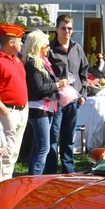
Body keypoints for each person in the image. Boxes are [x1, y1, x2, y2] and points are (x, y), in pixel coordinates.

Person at [0, 23, 29, 181]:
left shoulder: (17, 60)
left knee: (14, 153)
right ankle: (1, 187)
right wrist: (4, 110)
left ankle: (4, 185)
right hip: (6, 112)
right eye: (19, 40)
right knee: (6, 153)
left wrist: (25, 107)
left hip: (21, 111)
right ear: (11, 42)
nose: (21, 43)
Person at [46, 14, 88, 174]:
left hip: (73, 100)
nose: (67, 31)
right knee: (53, 137)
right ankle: (50, 172)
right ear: (57, 29)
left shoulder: (77, 48)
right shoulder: (50, 49)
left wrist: (83, 93)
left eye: (70, 28)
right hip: (55, 100)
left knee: (68, 137)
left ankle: (68, 171)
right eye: (63, 28)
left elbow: (84, 70)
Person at [23, 30, 68, 175]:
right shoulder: (32, 63)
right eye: (46, 45)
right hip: (39, 108)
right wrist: (57, 85)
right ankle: (34, 180)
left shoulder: (42, 62)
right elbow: (39, 88)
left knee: (38, 146)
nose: (48, 48)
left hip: (46, 107)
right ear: (37, 46)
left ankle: (32, 177)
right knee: (43, 147)